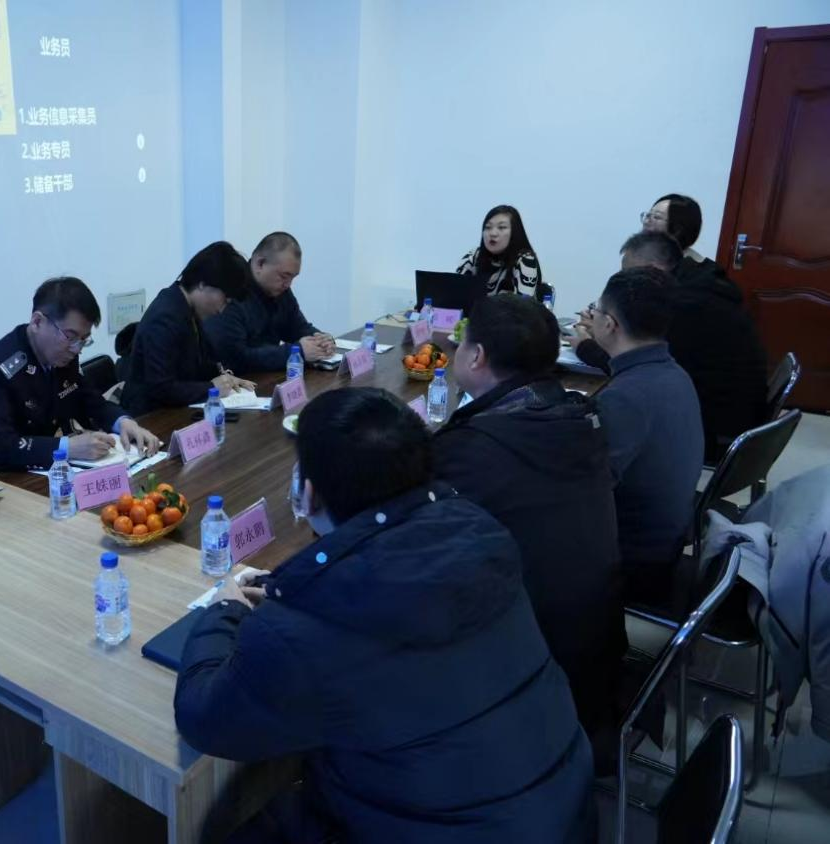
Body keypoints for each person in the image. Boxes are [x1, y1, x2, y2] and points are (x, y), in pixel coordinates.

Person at [174, 387, 596, 843]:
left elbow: (203, 718)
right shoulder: (478, 534)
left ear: (308, 494)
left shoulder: (301, 632)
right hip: (565, 812)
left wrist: (225, 610)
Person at [432, 294, 626, 761]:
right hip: (593, 658)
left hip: (527, 676)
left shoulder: (474, 448)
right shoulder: (579, 416)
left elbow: (419, 554)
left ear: (475, 356)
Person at [572, 229, 768, 462]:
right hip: (730, 412)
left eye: (629, 273)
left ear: (653, 270)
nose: (626, 283)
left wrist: (586, 345)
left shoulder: (685, 305)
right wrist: (606, 327)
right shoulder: (699, 282)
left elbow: (641, 368)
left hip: (715, 428)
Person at [0, 277, 160, 479]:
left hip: (38, 476)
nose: (76, 348)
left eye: (84, 339)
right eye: (70, 336)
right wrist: (67, 448)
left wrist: (123, 422)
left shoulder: (63, 355)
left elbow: (89, 400)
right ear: (37, 322)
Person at [583, 267, 704, 606]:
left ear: (609, 324)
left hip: (632, 560)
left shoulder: (624, 398)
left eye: (596, 310)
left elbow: (584, 489)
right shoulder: (674, 374)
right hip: (666, 540)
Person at [120, 241, 256, 415]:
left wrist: (226, 378)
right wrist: (211, 387)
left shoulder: (186, 307)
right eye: (225, 300)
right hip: (149, 417)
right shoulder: (165, 317)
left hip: (175, 411)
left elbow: (199, 363)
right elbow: (161, 388)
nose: (222, 309)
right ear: (203, 284)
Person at [203, 232, 336, 373]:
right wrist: (296, 352)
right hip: (234, 381)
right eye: (284, 276)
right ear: (260, 264)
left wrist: (322, 340)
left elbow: (297, 328)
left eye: (293, 278)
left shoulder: (281, 291)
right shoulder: (231, 292)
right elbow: (236, 358)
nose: (288, 284)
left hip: (269, 377)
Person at [456, 204, 544, 297]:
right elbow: (455, 291)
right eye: (488, 227)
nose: (493, 233)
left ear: (515, 232)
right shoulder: (475, 255)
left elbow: (524, 304)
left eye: (501, 227)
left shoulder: (526, 260)